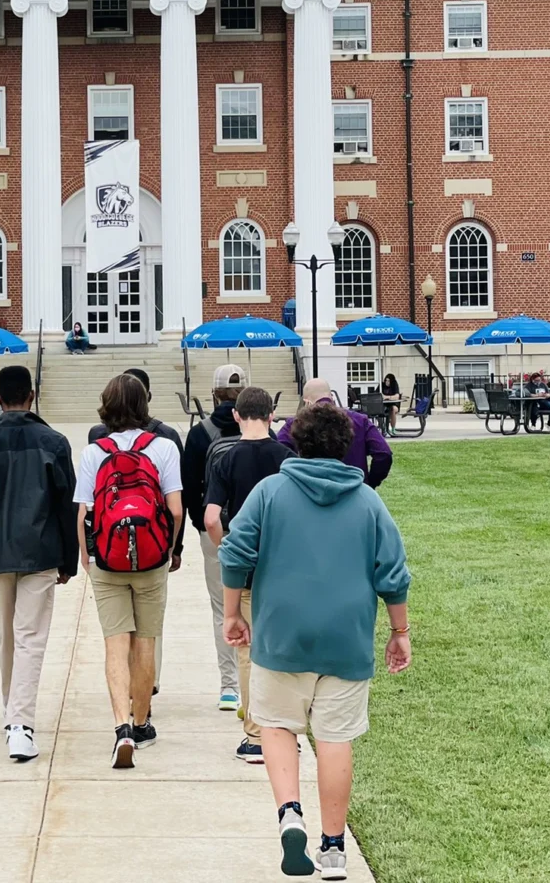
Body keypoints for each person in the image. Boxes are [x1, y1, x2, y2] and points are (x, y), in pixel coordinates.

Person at [220, 401, 412, 881]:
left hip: (281, 634)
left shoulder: (270, 492)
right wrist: (400, 631)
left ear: (295, 442)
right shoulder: (367, 500)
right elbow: (392, 572)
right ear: (345, 445)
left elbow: (235, 550)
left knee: (277, 726)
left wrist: (230, 614)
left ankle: (289, 813)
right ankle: (332, 847)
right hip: (345, 639)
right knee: (335, 739)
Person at [0, 364, 78, 762]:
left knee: (7, 637)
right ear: (31, 396)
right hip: (41, 549)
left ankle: (15, 716)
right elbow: (66, 506)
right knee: (30, 638)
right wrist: (69, 559)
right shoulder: (54, 442)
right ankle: (20, 723)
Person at [75, 374, 184, 769]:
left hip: (108, 557)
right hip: (152, 557)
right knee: (146, 642)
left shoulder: (94, 452)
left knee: (115, 644)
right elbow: (174, 510)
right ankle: (141, 723)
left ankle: (121, 725)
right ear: (145, 404)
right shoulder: (164, 448)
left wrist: (86, 555)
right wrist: (169, 549)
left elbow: (84, 511)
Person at [204, 386, 293, 764]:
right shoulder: (288, 457)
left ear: (237, 416)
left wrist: (227, 548)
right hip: (282, 567)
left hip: (247, 568)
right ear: (271, 415)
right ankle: (284, 729)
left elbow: (211, 517)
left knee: (247, 651)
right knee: (281, 651)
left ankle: (256, 735)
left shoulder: (225, 458)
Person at [180, 363, 247, 710]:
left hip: (215, 527)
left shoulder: (200, 433)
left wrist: (199, 524)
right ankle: (257, 682)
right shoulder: (258, 428)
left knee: (223, 607)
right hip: (257, 529)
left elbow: (190, 487)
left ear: (214, 394)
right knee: (257, 605)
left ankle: (229, 686)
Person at [279, 378, 391, 489]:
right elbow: (383, 453)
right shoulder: (360, 421)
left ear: (306, 402)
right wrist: (369, 483)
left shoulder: (295, 424)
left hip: (309, 490)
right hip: (353, 489)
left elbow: (278, 453)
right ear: (331, 396)